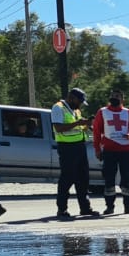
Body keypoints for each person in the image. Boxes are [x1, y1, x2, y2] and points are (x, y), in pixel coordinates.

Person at [92, 89, 129, 214]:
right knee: (109, 178)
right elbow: (96, 132)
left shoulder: (128, 113)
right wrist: (97, 149)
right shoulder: (102, 112)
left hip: (124, 150)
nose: (115, 98)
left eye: (118, 96)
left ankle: (128, 207)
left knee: (126, 178)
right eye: (113, 96)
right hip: (109, 150)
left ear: (122, 99)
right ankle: (109, 207)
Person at [51, 88, 98, 219]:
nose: (80, 104)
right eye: (79, 101)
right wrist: (79, 122)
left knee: (83, 178)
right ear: (71, 98)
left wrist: (87, 125)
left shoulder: (76, 110)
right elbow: (59, 128)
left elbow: (78, 128)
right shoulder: (58, 108)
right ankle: (62, 209)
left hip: (79, 146)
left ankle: (85, 208)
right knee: (67, 178)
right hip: (67, 148)